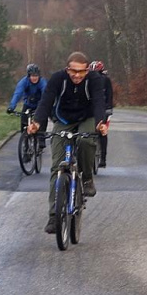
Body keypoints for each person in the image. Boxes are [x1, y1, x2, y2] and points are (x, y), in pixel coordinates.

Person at [27, 51, 108, 234]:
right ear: (67, 69)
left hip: (86, 118)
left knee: (86, 142)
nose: (77, 76)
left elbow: (98, 102)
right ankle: (54, 215)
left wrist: (100, 123)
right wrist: (37, 123)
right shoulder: (58, 79)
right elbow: (46, 101)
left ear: (87, 70)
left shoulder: (94, 79)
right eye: (73, 71)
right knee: (57, 167)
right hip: (63, 120)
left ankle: (86, 178)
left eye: (81, 72)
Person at [7, 63, 48, 149]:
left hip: (39, 104)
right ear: (29, 76)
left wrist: (45, 107)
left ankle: (41, 138)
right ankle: (25, 145)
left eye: (36, 76)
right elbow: (17, 94)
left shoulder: (42, 82)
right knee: (24, 122)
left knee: (42, 118)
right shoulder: (24, 82)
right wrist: (12, 106)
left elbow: (46, 95)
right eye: (32, 76)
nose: (34, 78)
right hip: (28, 104)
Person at [89, 60, 113, 168]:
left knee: (103, 132)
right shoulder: (87, 80)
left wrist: (109, 108)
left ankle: (103, 158)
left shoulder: (106, 80)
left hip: (104, 108)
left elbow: (109, 95)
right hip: (91, 108)